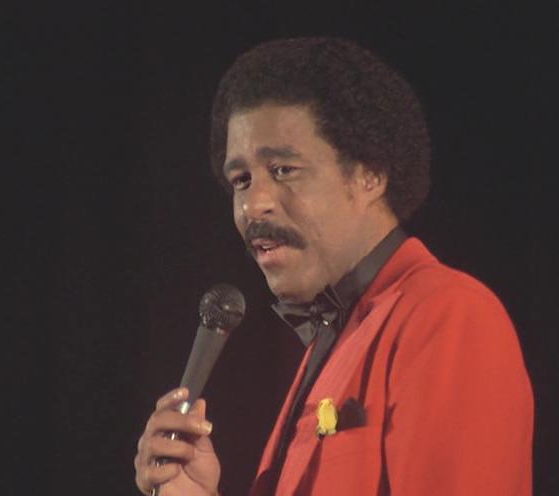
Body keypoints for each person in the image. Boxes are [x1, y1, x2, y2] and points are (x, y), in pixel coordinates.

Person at [134, 37, 533, 495]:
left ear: (370, 174)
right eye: (241, 180)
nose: (252, 205)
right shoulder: (335, 340)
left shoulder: (448, 313)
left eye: (283, 169)